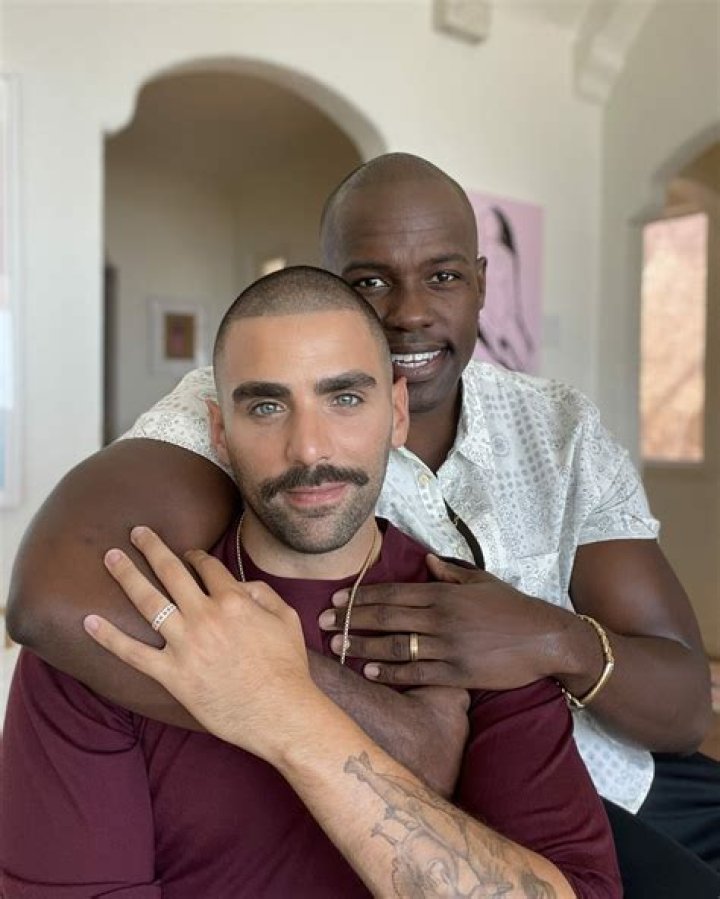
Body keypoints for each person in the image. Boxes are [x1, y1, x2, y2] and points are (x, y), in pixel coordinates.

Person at [6, 154, 719, 869]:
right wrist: (401, 739)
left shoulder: (559, 428)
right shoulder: (250, 404)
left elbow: (686, 709)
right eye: (370, 282)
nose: (409, 313)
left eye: (443, 276)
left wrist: (551, 637)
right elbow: (54, 600)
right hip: (426, 820)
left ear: (481, 284)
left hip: (621, 780)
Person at [1, 267, 620, 897]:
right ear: (219, 431)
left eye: (345, 398)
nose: (309, 449)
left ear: (397, 413)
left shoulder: (473, 628)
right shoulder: (119, 632)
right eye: (267, 407)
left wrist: (287, 714)